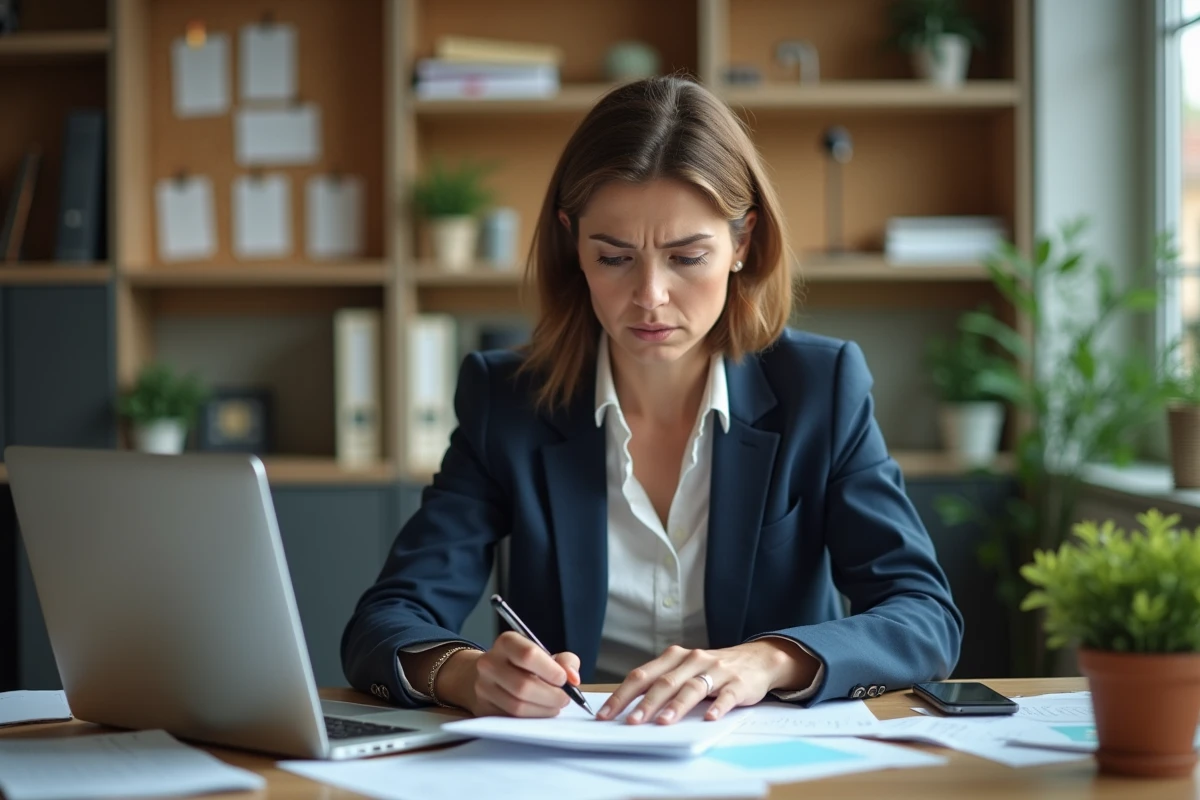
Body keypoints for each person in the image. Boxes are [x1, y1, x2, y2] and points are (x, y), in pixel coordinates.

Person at [342, 76, 962, 726]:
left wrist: (767, 660)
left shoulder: (820, 388)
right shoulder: (509, 400)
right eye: (614, 258)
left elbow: (924, 616)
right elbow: (385, 621)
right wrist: (464, 674)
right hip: (572, 758)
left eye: (686, 257)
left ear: (742, 243)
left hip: (766, 759)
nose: (650, 296)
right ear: (574, 245)